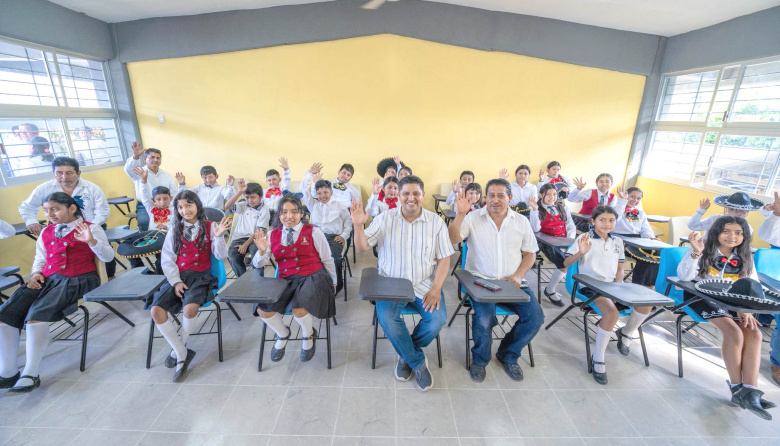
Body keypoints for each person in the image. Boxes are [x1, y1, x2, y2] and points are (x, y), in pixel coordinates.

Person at [0, 193, 114, 392]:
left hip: (79, 279)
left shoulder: (91, 228)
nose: (49, 214)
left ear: (71, 208)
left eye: (55, 209)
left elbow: (108, 256)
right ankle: (8, 372)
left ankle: (31, 373)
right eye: (45, 210)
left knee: (36, 314)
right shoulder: (46, 231)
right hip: (49, 279)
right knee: (6, 313)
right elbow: (40, 258)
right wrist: (36, 273)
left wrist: (91, 241)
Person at [351, 175, 455, 391]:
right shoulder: (384, 218)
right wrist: (358, 226)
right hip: (390, 285)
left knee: (437, 320)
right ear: (398, 195)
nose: (411, 198)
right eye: (406, 193)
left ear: (423, 195)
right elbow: (361, 247)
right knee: (388, 320)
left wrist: (436, 288)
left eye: (416, 193)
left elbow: (445, 258)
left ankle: (406, 352)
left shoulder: (435, 222)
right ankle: (417, 362)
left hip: (424, 284)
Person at [448, 178, 544, 382]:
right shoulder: (473, 218)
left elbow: (530, 253)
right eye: (491, 195)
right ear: (485, 198)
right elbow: (452, 240)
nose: (495, 200)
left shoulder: (521, 221)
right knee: (485, 319)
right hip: (481, 282)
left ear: (510, 198)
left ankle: (508, 354)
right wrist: (460, 213)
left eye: (501, 195)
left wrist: (518, 275)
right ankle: (480, 360)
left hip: (513, 283)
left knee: (535, 317)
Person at [678, 218, 772, 420]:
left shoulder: (745, 255)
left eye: (738, 233)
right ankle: (737, 388)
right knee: (733, 333)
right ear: (716, 232)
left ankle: (751, 391)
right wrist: (696, 252)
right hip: (702, 296)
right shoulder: (703, 248)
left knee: (754, 333)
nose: (732, 237)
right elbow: (684, 277)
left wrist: (745, 308)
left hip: (732, 300)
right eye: (726, 231)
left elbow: (751, 283)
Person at [564, 205, 652, 385]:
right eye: (602, 220)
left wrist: (617, 288)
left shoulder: (617, 241)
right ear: (593, 221)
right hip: (590, 286)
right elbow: (566, 262)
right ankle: (598, 358)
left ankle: (626, 333)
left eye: (611, 220)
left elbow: (620, 269)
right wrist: (580, 252)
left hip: (612, 286)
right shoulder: (584, 238)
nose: (607, 224)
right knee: (612, 314)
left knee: (646, 302)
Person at [148, 191, 230, 382]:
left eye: (189, 205)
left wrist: (219, 237)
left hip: (202, 277)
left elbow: (220, 256)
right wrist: (176, 281)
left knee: (189, 308)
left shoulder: (211, 226)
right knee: (156, 310)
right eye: (180, 207)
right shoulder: (174, 230)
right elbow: (167, 259)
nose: (185, 210)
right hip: (179, 276)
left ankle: (180, 348)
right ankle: (181, 352)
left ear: (197, 206)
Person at [251, 195, 337, 363]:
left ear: (301, 213)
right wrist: (261, 251)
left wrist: (333, 281)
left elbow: (327, 259)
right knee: (262, 308)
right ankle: (283, 334)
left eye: (294, 212)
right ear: (278, 214)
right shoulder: (272, 234)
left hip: (313, 276)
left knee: (300, 308)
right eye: (284, 212)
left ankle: (308, 335)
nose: (289, 216)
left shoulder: (314, 231)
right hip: (285, 279)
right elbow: (258, 264)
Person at [19, 157, 116, 278]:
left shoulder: (92, 188)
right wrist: (32, 222)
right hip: (60, 229)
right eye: (59, 173)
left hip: (93, 226)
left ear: (78, 173)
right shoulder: (45, 188)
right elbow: (26, 207)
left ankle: (109, 277)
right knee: (61, 257)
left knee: (103, 254)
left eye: (69, 173)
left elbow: (103, 211)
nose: (64, 177)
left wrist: (89, 227)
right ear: (54, 173)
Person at [301, 163, 352, 294]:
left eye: (325, 192)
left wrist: (343, 236)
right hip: (316, 237)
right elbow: (304, 190)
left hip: (334, 238)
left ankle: (336, 285)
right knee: (307, 256)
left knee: (334, 258)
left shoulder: (340, 206)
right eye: (319, 193)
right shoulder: (314, 205)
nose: (322, 195)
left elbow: (348, 223)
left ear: (331, 192)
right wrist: (309, 174)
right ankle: (314, 283)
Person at [529, 183, 576, 307]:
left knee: (580, 257)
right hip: (546, 243)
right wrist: (534, 210)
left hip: (564, 241)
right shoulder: (537, 209)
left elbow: (570, 226)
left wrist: (569, 242)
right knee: (564, 263)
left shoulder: (563, 208)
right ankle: (550, 290)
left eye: (554, 194)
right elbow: (535, 229)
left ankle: (581, 287)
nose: (552, 197)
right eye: (548, 194)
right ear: (541, 195)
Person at [610, 186, 661, 289]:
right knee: (646, 257)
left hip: (637, 240)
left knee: (657, 253)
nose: (635, 200)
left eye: (638, 198)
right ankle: (638, 287)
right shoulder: (615, 209)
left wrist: (651, 237)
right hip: (620, 241)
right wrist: (622, 200)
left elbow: (646, 229)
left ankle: (647, 286)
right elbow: (614, 218)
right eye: (632, 197)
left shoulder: (640, 213)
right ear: (626, 195)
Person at [124, 142, 178, 231]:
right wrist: (135, 157)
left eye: (158, 158)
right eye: (152, 157)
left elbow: (174, 193)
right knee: (144, 222)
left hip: (165, 205)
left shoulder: (167, 175)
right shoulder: (139, 172)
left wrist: (169, 207)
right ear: (145, 159)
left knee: (168, 224)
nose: (155, 160)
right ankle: (147, 239)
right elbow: (128, 169)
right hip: (145, 205)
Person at [224, 179, 270, 278]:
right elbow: (227, 206)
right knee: (233, 256)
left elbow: (258, 232)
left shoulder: (264, 210)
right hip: (239, 238)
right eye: (247, 197)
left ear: (260, 197)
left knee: (257, 254)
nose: (250, 200)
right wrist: (239, 192)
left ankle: (258, 280)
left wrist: (245, 245)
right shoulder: (243, 205)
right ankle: (243, 280)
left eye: (253, 197)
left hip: (256, 239)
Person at [758, 192, 780, 387]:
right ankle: (778, 364)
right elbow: (766, 234)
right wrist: (776, 214)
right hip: (774, 276)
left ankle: (763, 317)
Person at [688, 192, 764, 234]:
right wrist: (701, 210)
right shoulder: (715, 219)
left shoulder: (748, 228)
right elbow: (693, 226)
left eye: (742, 211)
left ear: (747, 212)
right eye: (732, 209)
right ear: (727, 209)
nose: (736, 213)